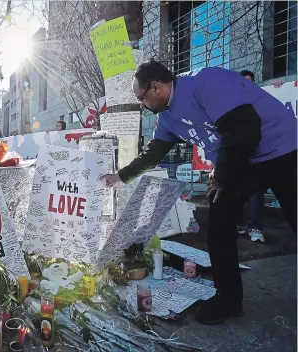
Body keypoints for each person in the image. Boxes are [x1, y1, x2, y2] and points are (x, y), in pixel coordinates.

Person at [101, 60, 297, 325]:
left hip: (284, 150)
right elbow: (153, 154)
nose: (142, 106)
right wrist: (119, 176)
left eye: (141, 99)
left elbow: (245, 128)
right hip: (246, 161)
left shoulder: (206, 82)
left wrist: (221, 174)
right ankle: (228, 299)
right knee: (219, 219)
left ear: (156, 87)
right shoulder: (166, 118)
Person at [236, 70, 265, 242]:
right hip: (238, 154)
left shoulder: (259, 100)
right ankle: (238, 224)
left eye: (250, 82)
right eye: (244, 81)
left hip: (256, 153)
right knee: (236, 191)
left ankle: (255, 228)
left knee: (256, 191)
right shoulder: (230, 102)